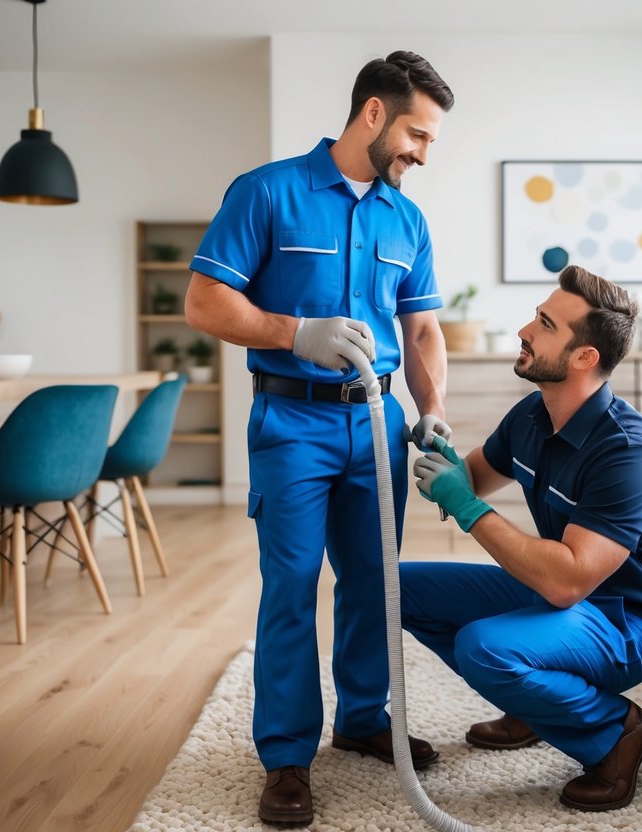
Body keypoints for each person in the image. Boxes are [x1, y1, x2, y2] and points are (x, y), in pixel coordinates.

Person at [184, 51, 455, 826]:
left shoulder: (406, 219)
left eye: (430, 141)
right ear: (372, 113)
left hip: (377, 423)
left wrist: (431, 406)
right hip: (291, 423)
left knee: (375, 580)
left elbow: (424, 325)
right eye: (416, 134)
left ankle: (364, 717)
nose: (422, 153)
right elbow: (205, 303)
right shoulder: (267, 192)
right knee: (293, 586)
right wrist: (292, 331)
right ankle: (286, 756)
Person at [401, 265, 642, 812]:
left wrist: (465, 504)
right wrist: (444, 456)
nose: (525, 329)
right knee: (398, 587)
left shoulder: (628, 455)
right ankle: (533, 704)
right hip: (550, 596)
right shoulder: (534, 413)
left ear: (584, 358)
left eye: (545, 324)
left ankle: (616, 732)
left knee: (486, 647)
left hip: (620, 622)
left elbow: (568, 579)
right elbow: (473, 478)